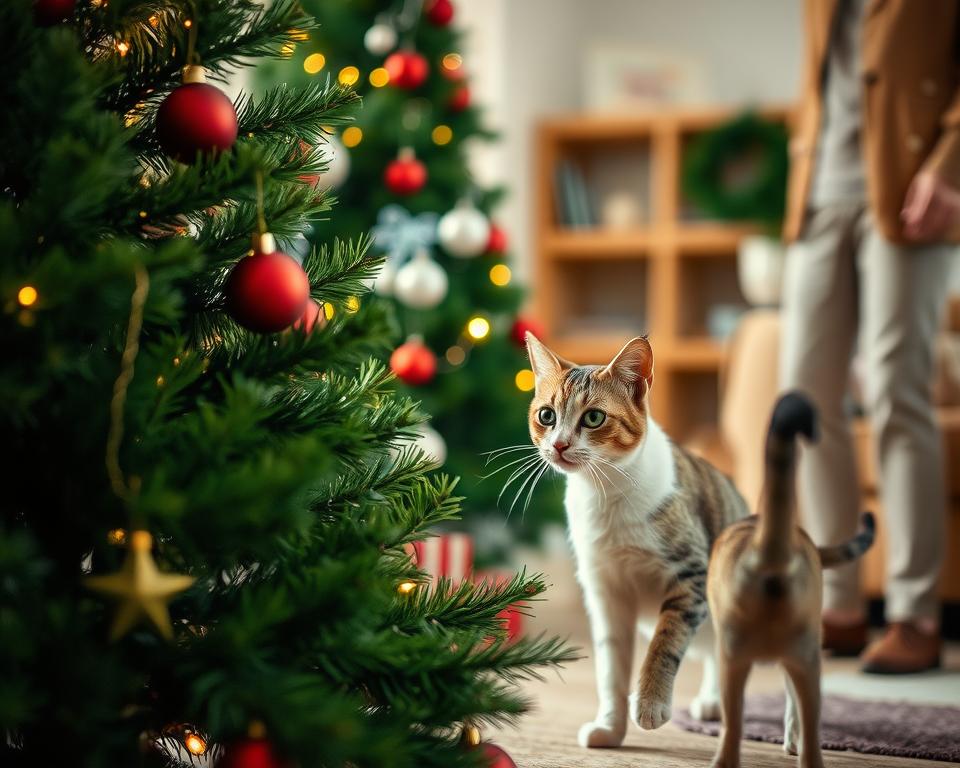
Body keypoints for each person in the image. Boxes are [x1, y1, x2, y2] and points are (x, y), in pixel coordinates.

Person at [781, 0, 960, 674]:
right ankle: (839, 602)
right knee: (802, 395)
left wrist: (952, 163)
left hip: (916, 179)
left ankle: (915, 615)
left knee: (896, 388)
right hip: (819, 186)